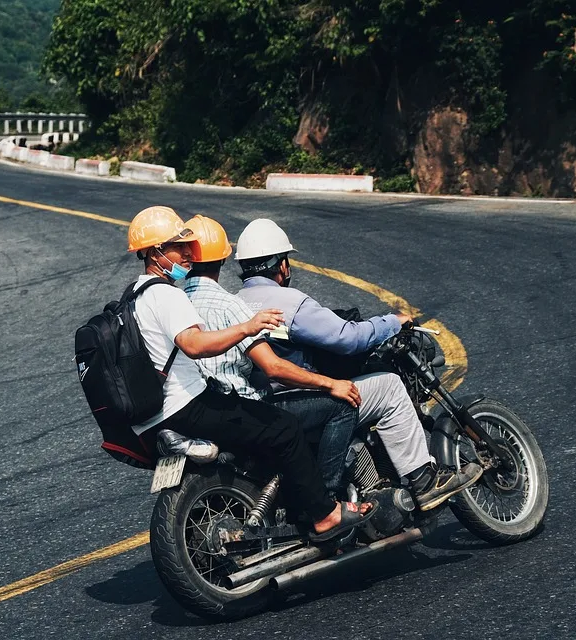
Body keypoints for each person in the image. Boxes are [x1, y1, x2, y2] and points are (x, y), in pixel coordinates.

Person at [126, 205, 373, 541]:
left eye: (189, 246)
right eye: (178, 246)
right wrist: (247, 327)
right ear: (155, 252)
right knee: (285, 428)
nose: (187, 252)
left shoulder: (135, 296)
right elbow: (196, 344)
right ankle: (325, 513)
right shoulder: (168, 295)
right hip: (187, 405)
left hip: (155, 414)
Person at [235, 218, 483, 511]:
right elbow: (347, 338)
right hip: (298, 398)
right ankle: (424, 482)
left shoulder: (235, 302)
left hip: (261, 404)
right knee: (389, 386)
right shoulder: (289, 302)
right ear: (281, 265)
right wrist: (392, 322)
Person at [180, 214, 361, 497]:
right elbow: (273, 367)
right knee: (341, 407)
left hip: (195, 409)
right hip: (241, 407)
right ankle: (327, 502)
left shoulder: (175, 302)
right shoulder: (231, 305)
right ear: (223, 259)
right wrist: (330, 383)